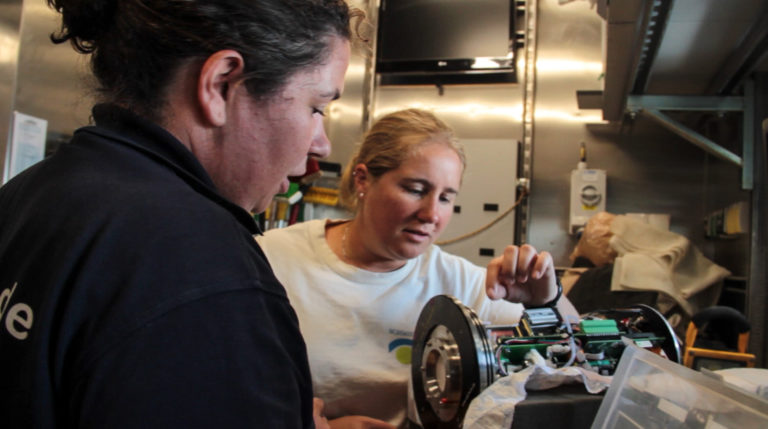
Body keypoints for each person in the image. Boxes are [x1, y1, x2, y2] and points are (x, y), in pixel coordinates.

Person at [0, 1, 360, 428]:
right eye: (317, 108)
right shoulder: (202, 268)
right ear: (222, 84)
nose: (321, 145)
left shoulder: (30, 190)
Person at [256, 109, 578, 428]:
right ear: (363, 179)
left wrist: (547, 302)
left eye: (446, 198)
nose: (431, 214)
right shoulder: (273, 258)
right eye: (415, 190)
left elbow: (577, 357)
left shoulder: (458, 283)